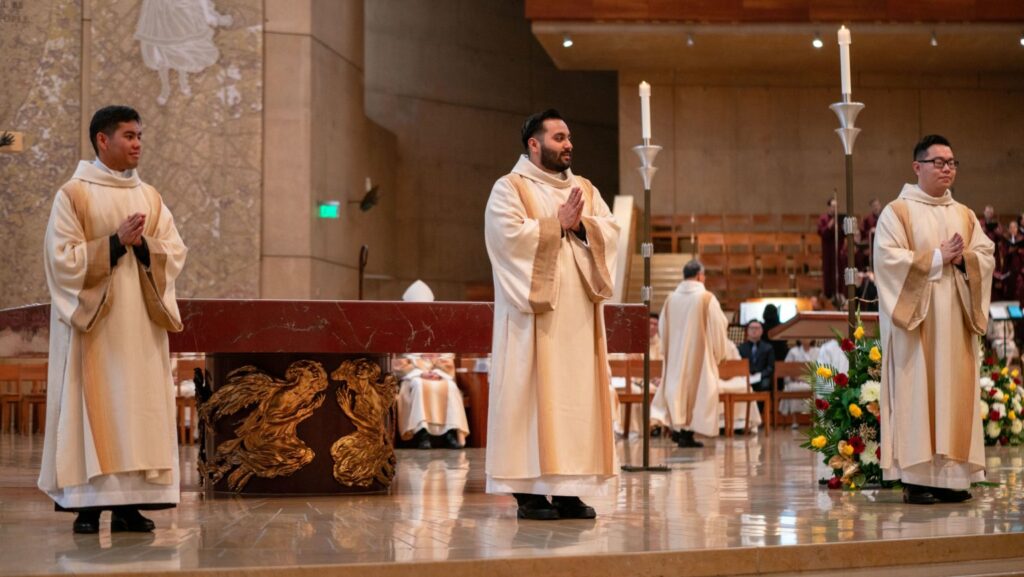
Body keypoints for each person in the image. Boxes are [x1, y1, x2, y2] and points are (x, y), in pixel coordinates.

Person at [39, 105, 188, 533]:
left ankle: (129, 505)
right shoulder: (73, 194)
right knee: (94, 412)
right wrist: (115, 244)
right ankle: (87, 507)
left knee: (137, 412)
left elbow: (173, 251)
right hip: (96, 327)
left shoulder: (151, 197)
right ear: (102, 141)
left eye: (140, 135)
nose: (138, 143)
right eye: (128, 135)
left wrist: (145, 248)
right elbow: (60, 261)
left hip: (139, 326)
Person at [484, 109, 619, 521]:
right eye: (559, 137)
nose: (569, 145)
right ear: (534, 144)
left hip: (577, 321)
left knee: (574, 403)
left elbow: (609, 231)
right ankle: (526, 491)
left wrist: (581, 229)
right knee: (530, 399)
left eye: (569, 137)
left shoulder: (586, 189)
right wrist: (554, 226)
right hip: (533, 323)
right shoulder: (509, 189)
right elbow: (505, 239)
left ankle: (566, 490)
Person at [874, 134, 994, 505]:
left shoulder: (965, 214)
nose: (946, 169)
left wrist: (966, 261)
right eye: (938, 162)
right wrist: (938, 257)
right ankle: (916, 480)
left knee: (953, 395)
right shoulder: (898, 212)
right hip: (919, 325)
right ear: (917, 167)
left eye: (952, 163)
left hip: (956, 322)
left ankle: (952, 480)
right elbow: (888, 261)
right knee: (919, 395)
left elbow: (985, 255)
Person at [650, 260, 730, 448]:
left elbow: (662, 326)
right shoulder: (706, 298)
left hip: (676, 356)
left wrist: (669, 348)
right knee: (701, 392)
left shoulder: (671, 299)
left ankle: (679, 430)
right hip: (699, 356)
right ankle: (686, 433)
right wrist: (719, 351)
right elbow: (719, 325)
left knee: (677, 392)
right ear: (700, 276)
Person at [392, 280, 470, 450]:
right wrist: (419, 373)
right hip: (413, 377)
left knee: (449, 386)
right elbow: (398, 361)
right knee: (419, 385)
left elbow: (447, 358)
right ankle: (422, 433)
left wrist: (437, 373)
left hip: (437, 374)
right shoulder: (401, 328)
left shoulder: (439, 328)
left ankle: (450, 432)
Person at [780, 340, 819, 418]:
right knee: (792, 388)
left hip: (813, 380)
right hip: (796, 381)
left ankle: (816, 419)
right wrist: (796, 378)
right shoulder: (793, 351)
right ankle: (795, 420)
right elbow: (787, 369)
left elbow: (822, 368)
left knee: (819, 389)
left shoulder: (818, 351)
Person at [818, 198, 846, 300]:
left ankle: (839, 295)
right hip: (828, 252)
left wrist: (843, 226)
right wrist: (831, 223)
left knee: (839, 273)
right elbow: (822, 233)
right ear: (829, 207)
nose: (835, 209)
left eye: (836, 207)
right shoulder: (823, 218)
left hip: (838, 252)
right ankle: (828, 296)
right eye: (833, 207)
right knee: (828, 274)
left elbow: (845, 234)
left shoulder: (841, 219)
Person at [737, 320, 775, 393]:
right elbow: (738, 365)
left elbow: (770, 367)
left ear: (762, 331)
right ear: (747, 331)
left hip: (762, 377)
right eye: (751, 328)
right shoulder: (741, 348)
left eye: (757, 328)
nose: (754, 330)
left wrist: (760, 375)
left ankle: (764, 404)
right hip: (746, 376)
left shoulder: (768, 348)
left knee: (765, 384)